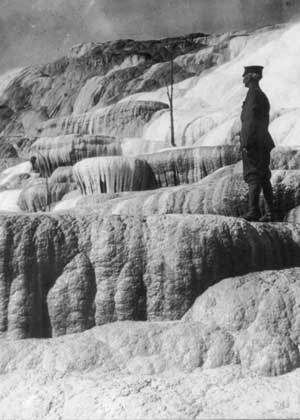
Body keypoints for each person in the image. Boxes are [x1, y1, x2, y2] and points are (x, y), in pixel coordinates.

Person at [240, 65, 275, 222]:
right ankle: (271, 212)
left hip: (253, 142)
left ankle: (254, 211)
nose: (243, 78)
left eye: (245, 76)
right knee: (263, 176)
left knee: (253, 175)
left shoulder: (252, 94)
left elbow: (250, 120)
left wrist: (246, 142)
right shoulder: (262, 95)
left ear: (252, 77)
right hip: (263, 141)